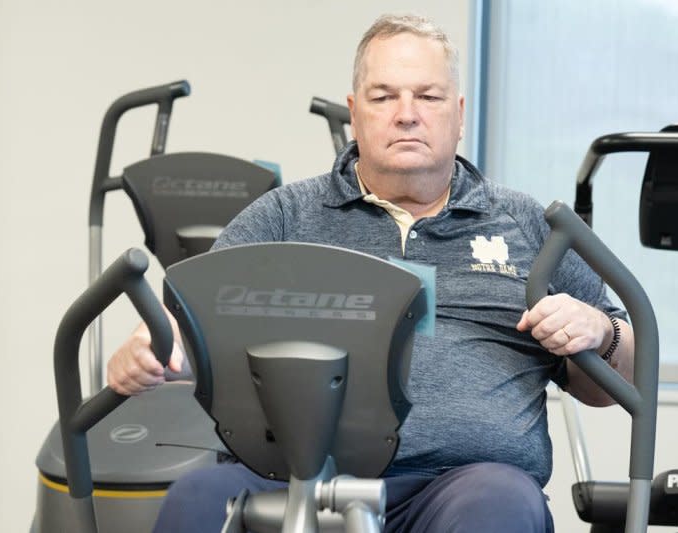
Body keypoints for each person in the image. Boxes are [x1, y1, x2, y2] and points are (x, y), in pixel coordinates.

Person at [107, 13, 634, 532]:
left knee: (499, 505)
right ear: (356, 113)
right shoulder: (286, 216)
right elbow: (189, 317)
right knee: (199, 498)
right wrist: (151, 344)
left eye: (427, 97)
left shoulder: (525, 223)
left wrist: (599, 330)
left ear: (459, 112)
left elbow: (616, 381)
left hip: (465, 484)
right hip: (296, 478)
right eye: (385, 97)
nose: (407, 114)